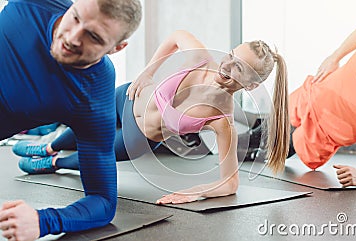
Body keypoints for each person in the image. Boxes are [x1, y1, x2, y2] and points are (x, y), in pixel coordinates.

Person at [13, 30, 291, 205]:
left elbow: (230, 183)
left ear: (252, 85)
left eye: (239, 68)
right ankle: (49, 146)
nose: (228, 65)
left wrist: (197, 191)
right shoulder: (202, 57)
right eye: (231, 56)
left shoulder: (222, 120)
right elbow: (175, 36)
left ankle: (53, 163)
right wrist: (148, 71)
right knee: (84, 121)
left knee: (94, 153)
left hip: (138, 137)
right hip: (127, 96)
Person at [0, 0, 142, 240]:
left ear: (116, 48)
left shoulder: (93, 94)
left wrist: (43, 220)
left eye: (94, 36)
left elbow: (103, 201)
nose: (73, 38)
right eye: (75, 17)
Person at [288, 19, 356, 187]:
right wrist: (334, 57)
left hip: (318, 136)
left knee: (254, 145)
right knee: (260, 126)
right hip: (310, 95)